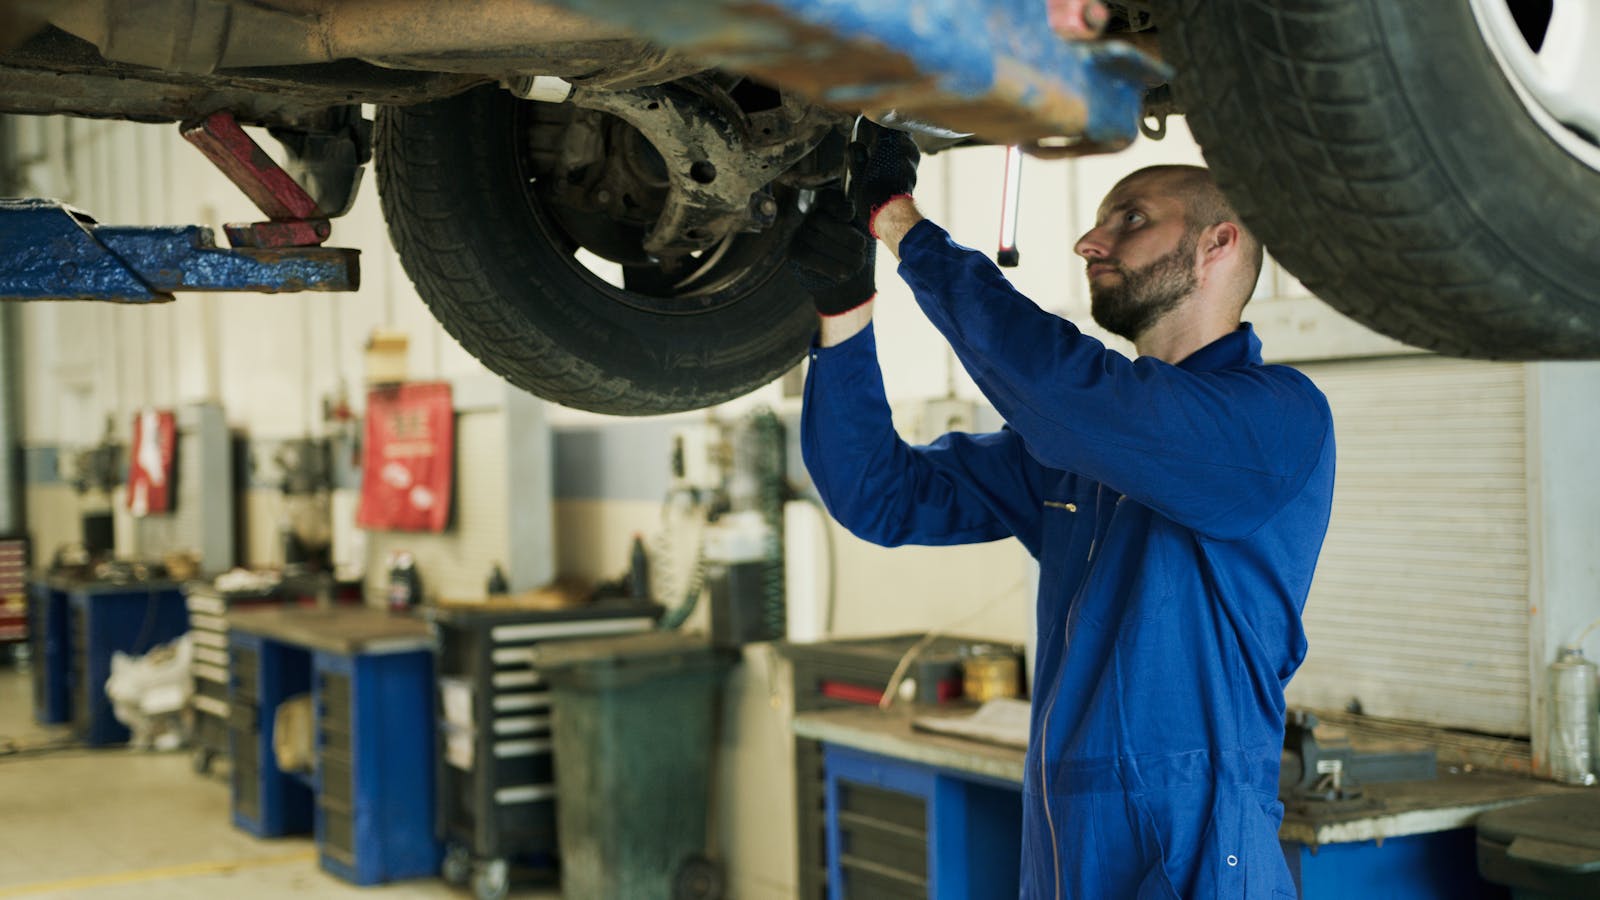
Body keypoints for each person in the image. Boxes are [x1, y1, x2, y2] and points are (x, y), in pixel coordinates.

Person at [794, 124, 1337, 899]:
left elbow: (1073, 399)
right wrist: (845, 314)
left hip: (1191, 861)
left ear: (1220, 244)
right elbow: (879, 496)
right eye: (1103, 218)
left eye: (1132, 219)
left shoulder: (1275, 423)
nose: (1090, 240)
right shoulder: (1077, 448)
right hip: (1064, 855)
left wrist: (902, 225)